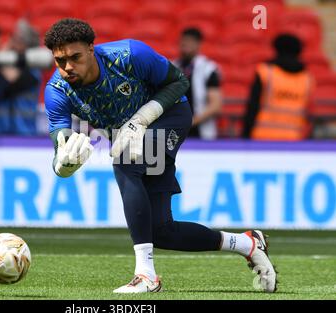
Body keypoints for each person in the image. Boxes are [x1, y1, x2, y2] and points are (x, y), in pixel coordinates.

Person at [44, 19, 277, 293]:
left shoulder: (130, 55)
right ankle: (247, 244)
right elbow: (61, 140)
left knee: (124, 160)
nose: (68, 67)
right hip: (130, 137)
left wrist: (142, 118)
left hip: (170, 115)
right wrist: (63, 166)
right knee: (160, 231)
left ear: (92, 49)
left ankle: (146, 276)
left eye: (75, 57)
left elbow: (179, 82)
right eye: (60, 61)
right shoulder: (57, 91)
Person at [0, 20, 50, 135]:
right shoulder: (3, 66)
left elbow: (11, 79)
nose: (11, 42)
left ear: (26, 44)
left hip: (24, 133)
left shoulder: (32, 72)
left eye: (16, 39)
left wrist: (2, 54)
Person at [242, 34, 313, 140]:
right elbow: (308, 111)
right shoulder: (307, 78)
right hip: (294, 138)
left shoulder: (265, 72)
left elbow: (253, 106)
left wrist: (245, 135)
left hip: (263, 136)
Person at [173, 28, 222, 140]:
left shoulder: (208, 68)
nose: (185, 44)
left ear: (198, 44)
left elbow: (216, 105)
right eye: (183, 40)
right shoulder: (173, 67)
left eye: (189, 41)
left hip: (201, 133)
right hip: (175, 131)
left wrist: (192, 121)